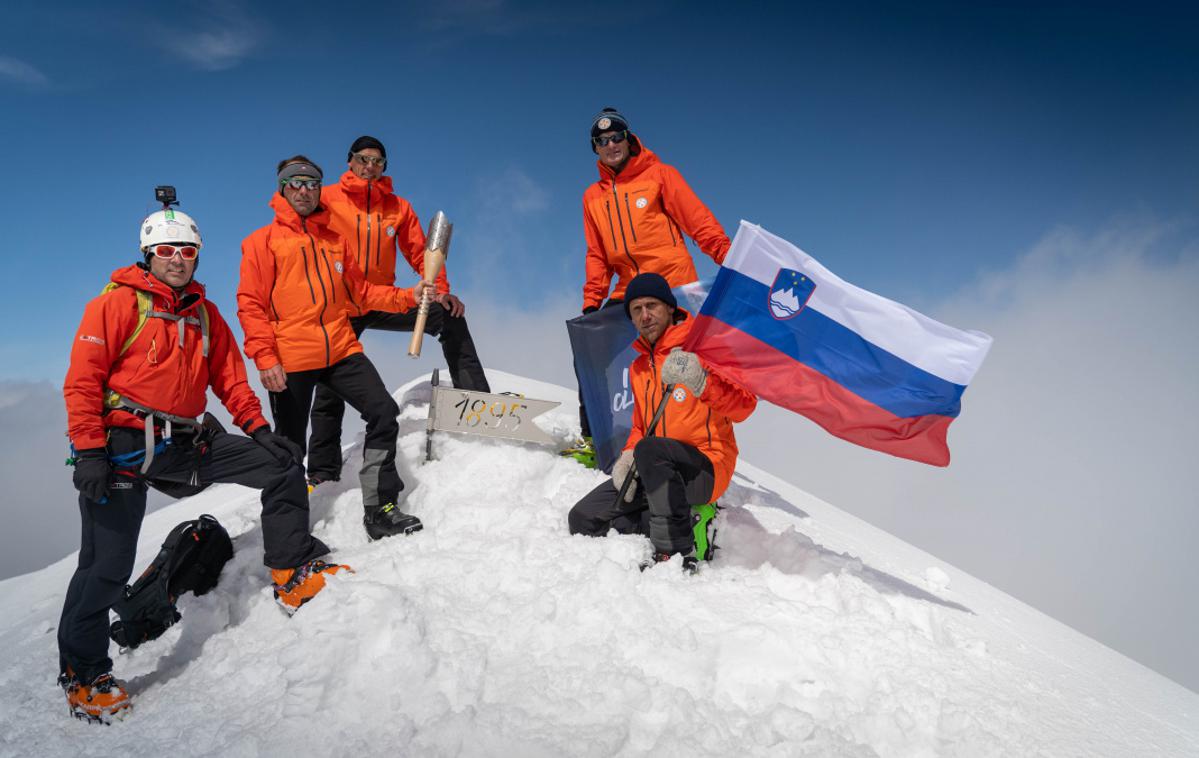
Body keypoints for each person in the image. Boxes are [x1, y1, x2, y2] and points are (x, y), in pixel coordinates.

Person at [59, 204, 346, 723]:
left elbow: (231, 380)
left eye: (187, 250)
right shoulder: (116, 305)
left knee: (279, 467)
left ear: (196, 256)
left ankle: (288, 568)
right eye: (166, 250)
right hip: (120, 448)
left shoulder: (205, 316)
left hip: (183, 443)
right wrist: (89, 451)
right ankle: (83, 674)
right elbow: (82, 381)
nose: (177, 259)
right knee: (105, 567)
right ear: (148, 254)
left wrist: (259, 430)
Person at [237, 156, 434, 541]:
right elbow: (251, 304)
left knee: (382, 411)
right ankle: (289, 531)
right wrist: (265, 357)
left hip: (340, 347)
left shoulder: (335, 241)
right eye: (296, 183)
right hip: (291, 357)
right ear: (282, 188)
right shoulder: (261, 242)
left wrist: (408, 296)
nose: (305, 190)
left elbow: (362, 294)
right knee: (290, 446)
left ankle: (379, 509)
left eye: (312, 184)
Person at [306, 136, 490, 487]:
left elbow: (421, 253)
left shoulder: (398, 208)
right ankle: (322, 470)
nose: (369, 167)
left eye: (377, 162)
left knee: (448, 316)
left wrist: (442, 293)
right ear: (349, 161)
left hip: (381, 299)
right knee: (329, 386)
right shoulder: (328, 199)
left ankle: (477, 406)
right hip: (339, 304)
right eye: (363, 159)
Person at [566, 108, 732, 465]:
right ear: (595, 149)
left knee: (684, 366)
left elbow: (698, 222)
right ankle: (595, 439)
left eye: (616, 137)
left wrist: (729, 259)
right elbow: (597, 254)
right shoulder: (592, 197)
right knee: (589, 353)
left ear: (629, 138)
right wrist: (592, 302)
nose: (610, 144)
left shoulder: (660, 176)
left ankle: (703, 451)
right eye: (602, 141)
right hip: (628, 292)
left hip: (673, 289)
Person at [568, 273, 756, 572]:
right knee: (583, 518)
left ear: (670, 308)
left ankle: (676, 554)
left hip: (706, 467)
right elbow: (642, 427)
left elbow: (745, 407)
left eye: (652, 305)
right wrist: (629, 456)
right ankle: (692, 524)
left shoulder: (705, 348)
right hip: (658, 469)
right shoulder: (639, 367)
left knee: (653, 451)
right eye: (636, 310)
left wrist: (702, 381)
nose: (645, 315)